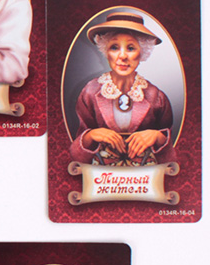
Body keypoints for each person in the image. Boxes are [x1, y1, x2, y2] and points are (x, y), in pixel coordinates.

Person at [70, 12, 176, 165]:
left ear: (142, 52)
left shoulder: (157, 97)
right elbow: (76, 154)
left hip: (145, 174)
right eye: (114, 47)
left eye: (131, 48)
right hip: (101, 174)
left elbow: (172, 158)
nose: (123, 56)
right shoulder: (90, 92)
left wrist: (158, 137)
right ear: (106, 51)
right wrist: (91, 136)